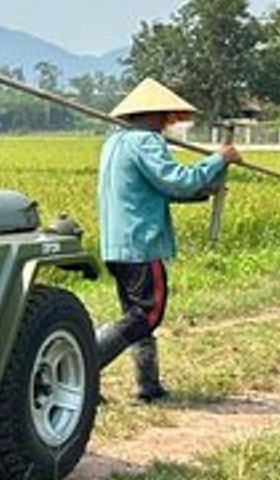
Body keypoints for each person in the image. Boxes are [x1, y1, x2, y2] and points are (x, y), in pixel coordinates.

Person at [95, 77, 242, 402]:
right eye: (163, 116)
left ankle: (148, 386)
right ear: (149, 115)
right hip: (139, 243)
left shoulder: (114, 143)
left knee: (135, 314)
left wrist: (203, 191)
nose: (166, 123)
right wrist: (219, 159)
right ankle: (84, 364)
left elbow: (154, 190)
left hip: (116, 243)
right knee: (146, 313)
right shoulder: (145, 142)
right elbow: (177, 181)